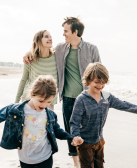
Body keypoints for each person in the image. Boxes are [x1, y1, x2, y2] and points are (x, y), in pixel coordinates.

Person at [23, 17, 101, 167]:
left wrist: (99, 96)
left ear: (75, 32)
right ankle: (77, 164)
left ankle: (91, 161)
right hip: (68, 98)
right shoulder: (61, 48)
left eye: (66, 31)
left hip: (88, 98)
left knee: (89, 131)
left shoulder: (92, 49)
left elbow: (100, 73)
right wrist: (28, 53)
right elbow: (42, 49)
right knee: (71, 131)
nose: (63, 34)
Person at [0, 75, 84, 168]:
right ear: (32, 94)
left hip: (46, 157)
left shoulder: (49, 115)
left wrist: (71, 137)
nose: (44, 105)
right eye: (41, 101)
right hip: (25, 159)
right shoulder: (16, 110)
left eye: (49, 102)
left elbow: (57, 131)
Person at [70, 63, 137, 168]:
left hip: (99, 141)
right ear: (88, 80)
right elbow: (74, 121)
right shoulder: (82, 99)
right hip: (85, 143)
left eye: (103, 82)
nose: (100, 85)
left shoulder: (106, 97)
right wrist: (76, 136)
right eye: (97, 82)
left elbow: (125, 105)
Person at [15, 30, 58, 111]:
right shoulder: (30, 58)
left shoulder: (57, 57)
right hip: (29, 100)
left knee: (47, 124)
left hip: (48, 102)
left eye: (50, 37)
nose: (50, 39)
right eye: (46, 36)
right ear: (38, 40)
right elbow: (24, 80)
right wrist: (16, 102)